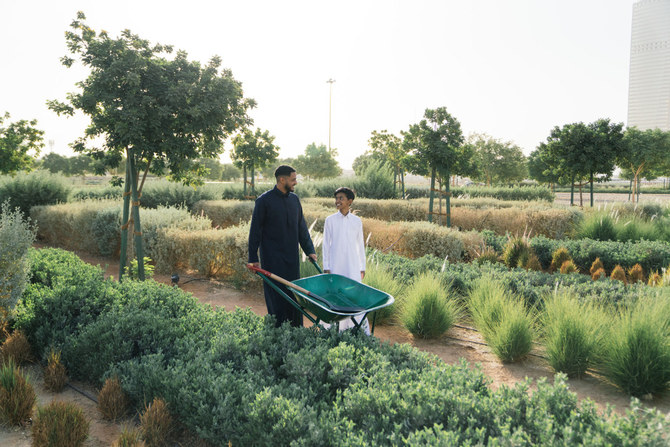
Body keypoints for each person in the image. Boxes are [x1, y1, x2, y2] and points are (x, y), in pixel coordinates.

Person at [248, 165, 317, 327]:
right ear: (282, 179)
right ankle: (278, 331)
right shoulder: (264, 201)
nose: (296, 183)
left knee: (294, 294)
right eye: (293, 180)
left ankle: (296, 329)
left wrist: (310, 250)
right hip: (272, 259)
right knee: (276, 296)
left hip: (292, 258)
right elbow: (255, 232)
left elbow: (301, 227)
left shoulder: (295, 200)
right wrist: (253, 258)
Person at [322, 187, 370, 334]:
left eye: (341, 198)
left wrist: (362, 266)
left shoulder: (356, 221)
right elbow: (325, 244)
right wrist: (326, 266)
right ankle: (332, 330)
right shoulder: (330, 220)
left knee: (353, 296)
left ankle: (357, 328)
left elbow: (360, 245)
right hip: (335, 265)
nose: (337, 201)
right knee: (336, 295)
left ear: (350, 201)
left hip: (352, 265)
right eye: (336, 198)